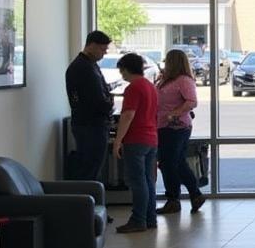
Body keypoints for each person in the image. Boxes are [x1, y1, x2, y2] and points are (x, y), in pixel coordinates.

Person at [155, 49, 205, 215]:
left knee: (171, 163)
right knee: (172, 163)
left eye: (167, 61)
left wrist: (174, 113)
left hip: (176, 127)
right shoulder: (167, 80)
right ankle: (186, 196)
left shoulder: (183, 80)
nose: (164, 64)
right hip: (163, 126)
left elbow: (192, 101)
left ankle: (180, 197)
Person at [112, 53, 158, 233]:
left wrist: (118, 141)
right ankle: (150, 218)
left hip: (136, 140)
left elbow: (128, 115)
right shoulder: (150, 86)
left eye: (121, 70)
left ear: (125, 69)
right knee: (148, 180)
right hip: (151, 138)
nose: (121, 74)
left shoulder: (133, 88)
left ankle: (138, 219)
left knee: (137, 181)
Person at [65, 30, 114, 181]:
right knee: (90, 169)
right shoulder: (84, 68)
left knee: (90, 167)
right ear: (92, 45)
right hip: (91, 125)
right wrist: (109, 103)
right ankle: (86, 202)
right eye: (102, 49)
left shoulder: (88, 65)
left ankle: (88, 202)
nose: (103, 54)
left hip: (87, 124)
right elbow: (98, 100)